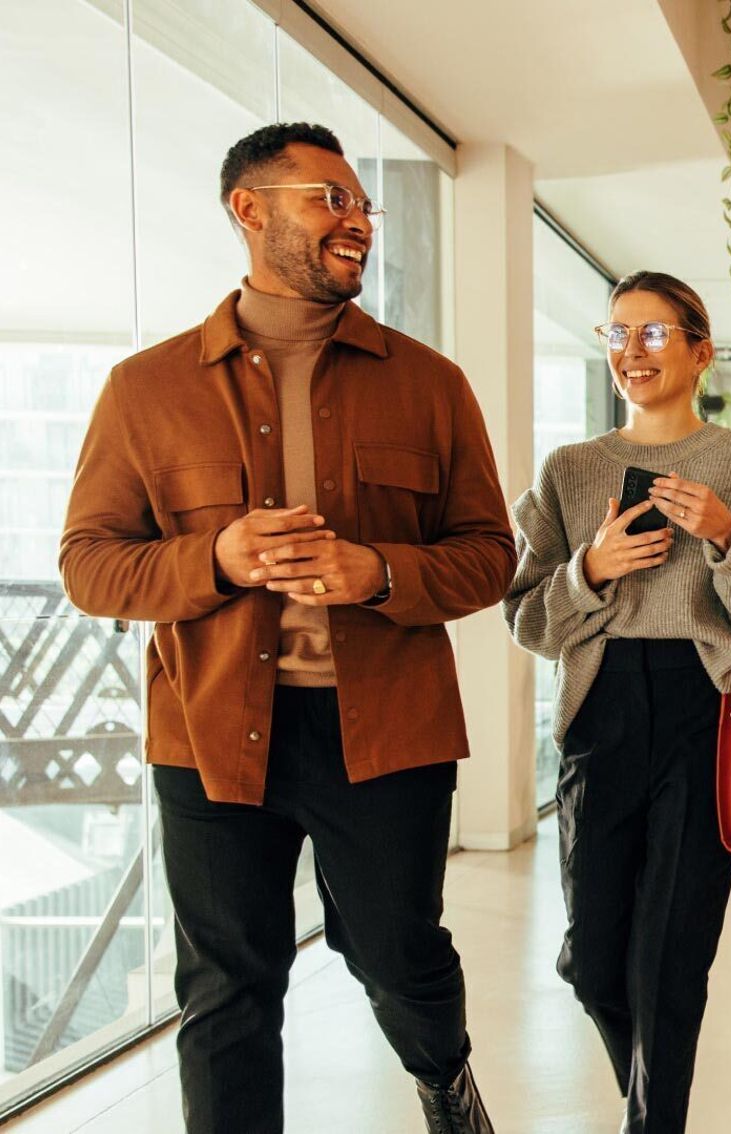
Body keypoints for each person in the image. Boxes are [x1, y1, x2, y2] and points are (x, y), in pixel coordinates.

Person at [59, 122, 515, 1134]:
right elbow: (89, 563)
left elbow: (491, 553)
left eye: (361, 204)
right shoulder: (147, 391)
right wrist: (213, 560)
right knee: (228, 986)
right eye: (328, 198)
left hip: (389, 732)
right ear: (249, 209)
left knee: (397, 952)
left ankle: (443, 1076)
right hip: (213, 734)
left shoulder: (428, 383)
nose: (355, 220)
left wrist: (379, 571)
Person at [504, 271, 731, 1134]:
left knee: (670, 964)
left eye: (652, 335)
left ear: (700, 351)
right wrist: (591, 569)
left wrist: (726, 536)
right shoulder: (570, 472)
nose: (630, 353)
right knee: (595, 965)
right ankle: (653, 1106)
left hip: (710, 716)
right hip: (599, 717)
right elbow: (529, 622)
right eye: (615, 335)